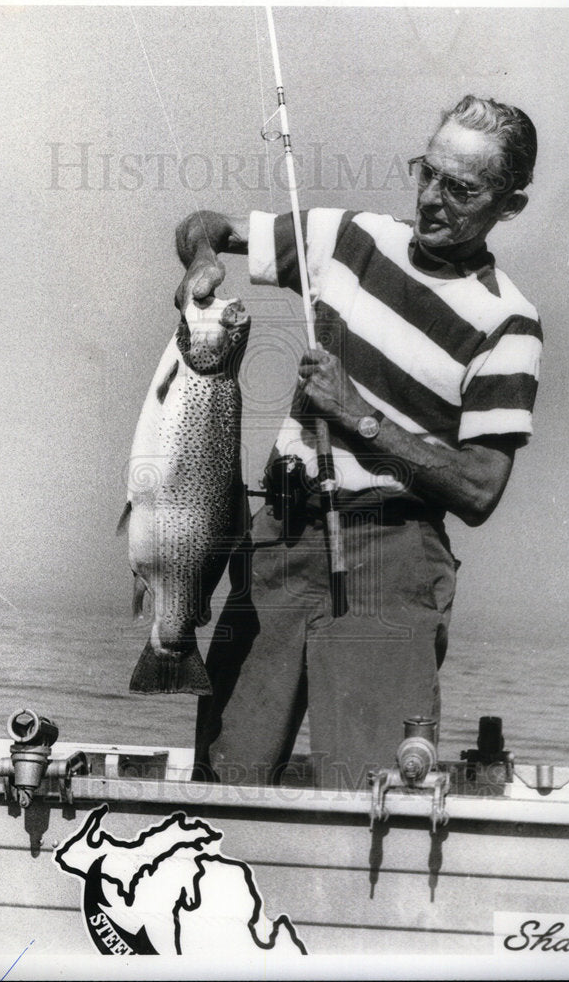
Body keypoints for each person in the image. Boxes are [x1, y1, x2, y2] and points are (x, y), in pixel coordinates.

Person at [174, 95, 542, 791]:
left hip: (393, 559)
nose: (432, 199)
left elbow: (479, 489)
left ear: (509, 204)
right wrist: (200, 263)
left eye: (460, 188)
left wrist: (360, 419)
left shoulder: (509, 322)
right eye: (426, 173)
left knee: (373, 796)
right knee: (226, 778)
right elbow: (205, 226)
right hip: (278, 539)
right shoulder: (347, 237)